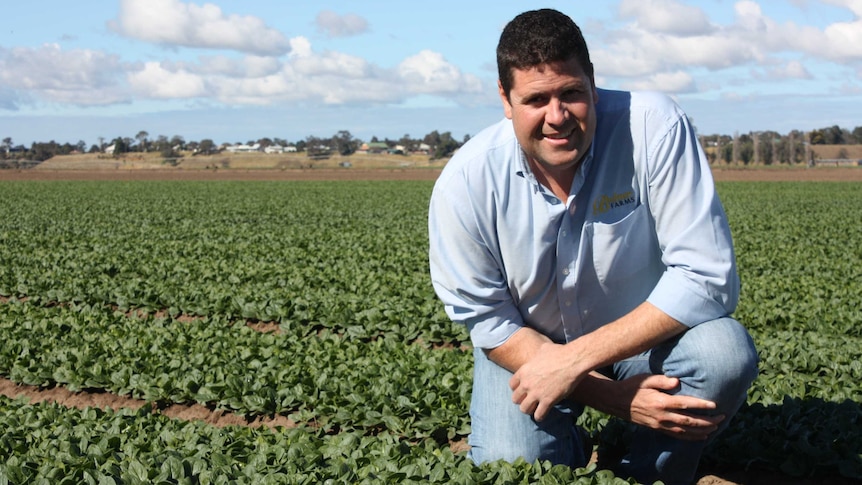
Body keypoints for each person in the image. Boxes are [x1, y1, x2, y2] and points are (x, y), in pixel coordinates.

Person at [428, 8, 758, 485]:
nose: (557, 117)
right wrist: (611, 397)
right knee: (516, 467)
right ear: (505, 99)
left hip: (641, 340)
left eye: (572, 93)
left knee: (723, 354)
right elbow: (488, 319)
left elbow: (706, 277)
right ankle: (570, 439)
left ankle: (647, 467)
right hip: (529, 345)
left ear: (593, 83)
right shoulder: (467, 182)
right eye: (536, 99)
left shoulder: (653, 127)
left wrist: (576, 359)